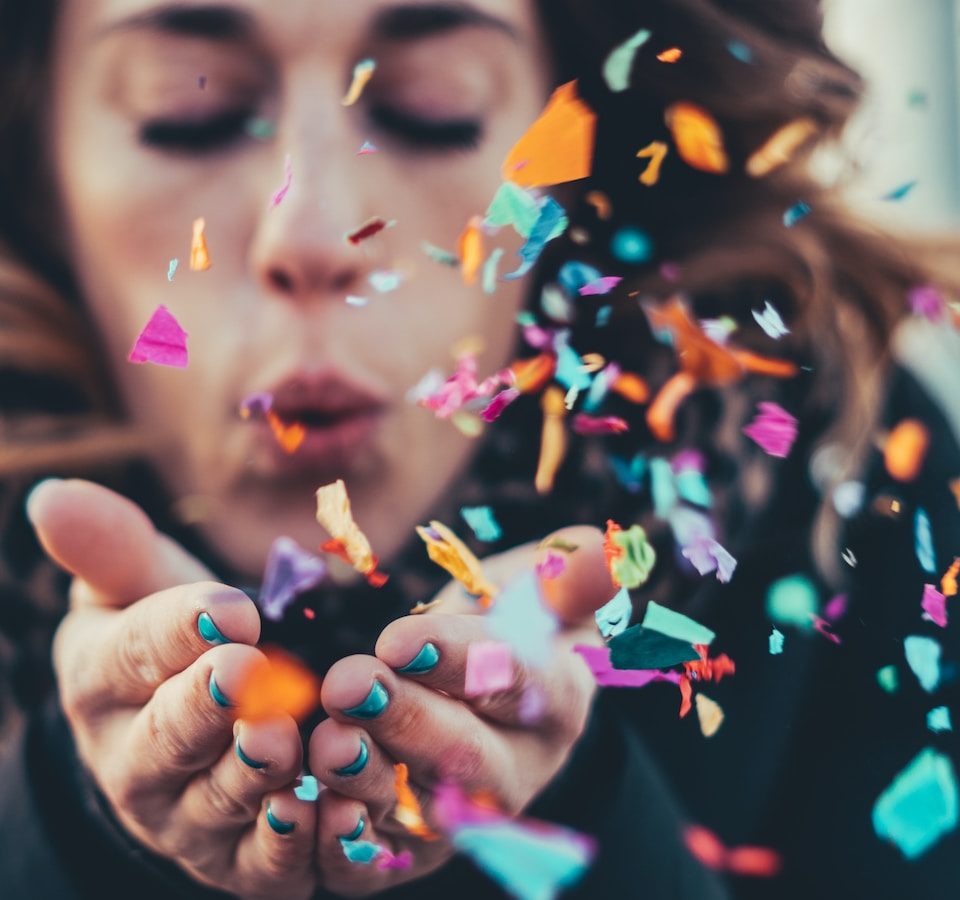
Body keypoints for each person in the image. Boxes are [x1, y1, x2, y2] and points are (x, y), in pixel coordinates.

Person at [0, 0, 957, 898]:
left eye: (433, 108)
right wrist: (71, 827)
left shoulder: (851, 493)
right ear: (37, 176)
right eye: (185, 110)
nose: (316, 232)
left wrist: (575, 820)